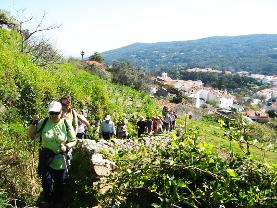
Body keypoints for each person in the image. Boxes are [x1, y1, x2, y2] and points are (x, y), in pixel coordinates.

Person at [28, 101, 77, 207]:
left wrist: (66, 146)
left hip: (60, 161)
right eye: (51, 113)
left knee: (60, 184)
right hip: (46, 159)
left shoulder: (65, 123)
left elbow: (74, 140)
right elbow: (31, 135)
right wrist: (33, 122)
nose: (54, 115)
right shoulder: (44, 122)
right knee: (47, 183)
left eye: (56, 113)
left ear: (61, 112)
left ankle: (58, 203)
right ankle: (48, 202)